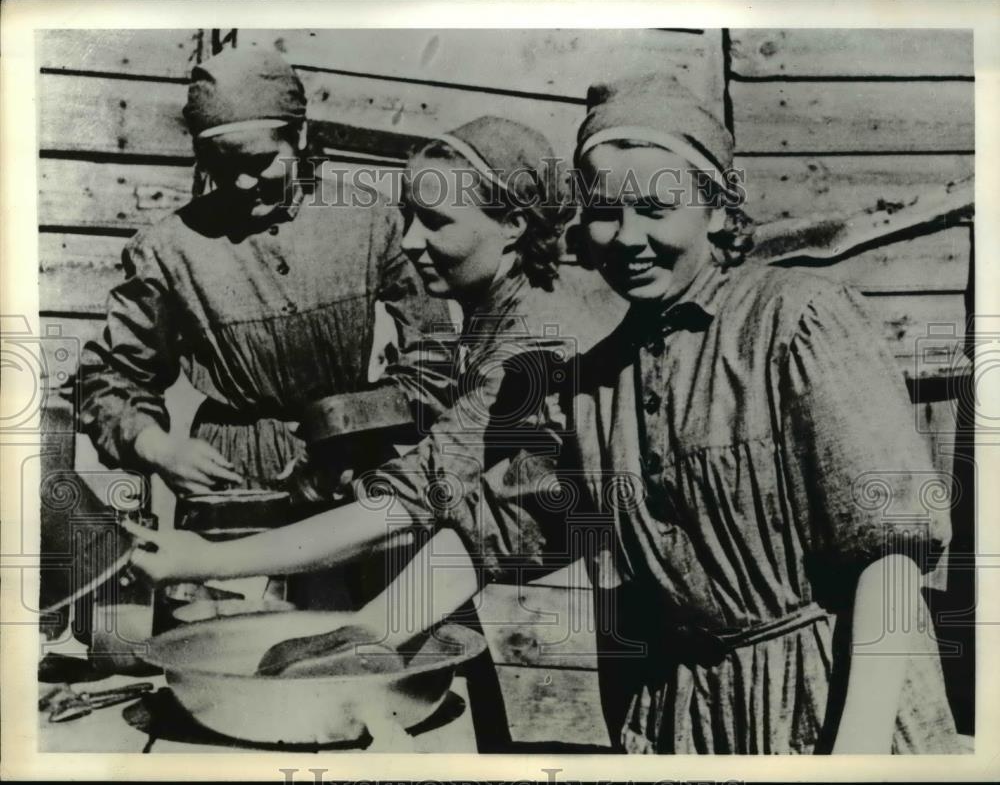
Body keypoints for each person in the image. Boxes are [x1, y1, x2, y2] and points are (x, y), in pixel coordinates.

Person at [561, 73, 961, 754]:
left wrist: (854, 757)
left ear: (717, 210)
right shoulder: (593, 385)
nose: (627, 237)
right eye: (605, 211)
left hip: (836, 699)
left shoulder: (797, 320)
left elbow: (891, 556)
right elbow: (596, 592)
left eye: (657, 207)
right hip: (686, 724)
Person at [123, 116, 623, 638]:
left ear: (512, 225)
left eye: (435, 221)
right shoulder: (502, 311)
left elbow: (411, 502)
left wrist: (204, 561)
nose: (407, 240)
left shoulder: (531, 348)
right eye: (408, 217)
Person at [78, 47, 452, 507]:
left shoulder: (370, 219)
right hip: (233, 480)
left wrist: (355, 419)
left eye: (259, 163)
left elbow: (435, 356)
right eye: (220, 166)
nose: (239, 183)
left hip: (353, 469)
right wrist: (158, 447)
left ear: (301, 135)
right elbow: (111, 376)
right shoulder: (168, 249)